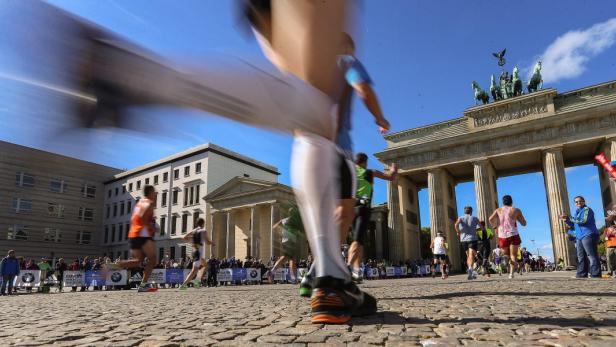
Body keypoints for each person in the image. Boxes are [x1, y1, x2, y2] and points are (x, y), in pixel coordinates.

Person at [347, 153, 397, 282]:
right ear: (365, 162)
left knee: (360, 242)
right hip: (363, 208)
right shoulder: (369, 172)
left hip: (351, 209)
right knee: (357, 241)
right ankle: (347, 268)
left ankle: (357, 273)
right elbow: (391, 177)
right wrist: (393, 169)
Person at [106, 185, 159, 292]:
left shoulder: (139, 202)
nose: (155, 193)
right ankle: (143, 285)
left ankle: (113, 265)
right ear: (150, 192)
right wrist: (153, 227)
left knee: (138, 261)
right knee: (152, 259)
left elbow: (135, 217)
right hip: (143, 234)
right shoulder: (149, 202)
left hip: (133, 234)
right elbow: (143, 218)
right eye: (154, 192)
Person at [560, 196, 601, 278]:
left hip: (588, 234)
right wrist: (567, 220)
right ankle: (581, 274)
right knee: (580, 256)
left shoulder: (587, 209)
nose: (578, 203)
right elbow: (575, 225)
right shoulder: (577, 212)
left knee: (591, 255)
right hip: (579, 237)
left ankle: (595, 274)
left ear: (584, 201)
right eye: (576, 202)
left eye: (580, 201)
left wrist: (570, 218)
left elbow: (583, 221)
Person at [489, 195, 527, 279]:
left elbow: (490, 219)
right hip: (513, 234)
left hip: (502, 235)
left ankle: (507, 260)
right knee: (513, 255)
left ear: (503, 202)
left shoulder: (498, 210)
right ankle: (511, 274)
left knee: (506, 254)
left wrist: (495, 227)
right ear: (511, 201)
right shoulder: (516, 210)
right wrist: (519, 219)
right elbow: (524, 223)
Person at [269, 205, 304, 285]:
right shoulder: (294, 220)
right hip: (290, 241)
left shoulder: (284, 220)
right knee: (287, 257)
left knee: (292, 259)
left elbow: (274, 227)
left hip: (287, 240)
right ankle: (272, 271)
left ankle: (293, 279)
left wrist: (282, 232)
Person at [179, 218, 214, 290]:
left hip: (195, 250)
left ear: (197, 224)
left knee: (206, 266)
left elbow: (184, 237)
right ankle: (183, 285)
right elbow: (207, 242)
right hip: (199, 252)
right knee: (194, 270)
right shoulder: (203, 231)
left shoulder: (194, 230)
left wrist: (192, 241)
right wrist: (212, 243)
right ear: (203, 224)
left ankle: (197, 281)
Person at [455, 206, 480, 280]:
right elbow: (481, 227)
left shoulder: (461, 218)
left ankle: (470, 270)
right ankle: (470, 269)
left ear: (464, 211)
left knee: (468, 255)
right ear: (471, 211)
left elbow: (456, 225)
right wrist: (476, 230)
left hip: (463, 239)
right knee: (471, 255)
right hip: (472, 239)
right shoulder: (475, 218)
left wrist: (458, 232)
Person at [605, 204, 616, 278]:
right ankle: (611, 271)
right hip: (610, 245)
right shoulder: (608, 229)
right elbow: (605, 238)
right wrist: (609, 234)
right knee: (609, 259)